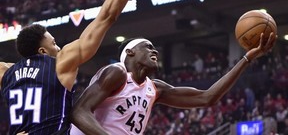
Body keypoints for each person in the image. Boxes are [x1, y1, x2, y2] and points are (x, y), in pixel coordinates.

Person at [0, 0, 154, 135]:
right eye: (54, 44)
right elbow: (106, 17)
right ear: (43, 51)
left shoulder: (6, 72)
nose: (59, 47)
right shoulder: (60, 63)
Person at [70, 33, 276, 135]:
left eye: (155, 48)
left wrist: (247, 59)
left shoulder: (155, 89)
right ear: (130, 52)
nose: (155, 51)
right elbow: (79, 112)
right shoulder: (117, 72)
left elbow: (207, 97)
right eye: (148, 47)